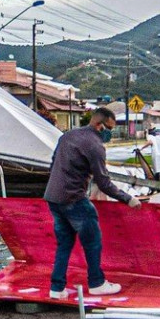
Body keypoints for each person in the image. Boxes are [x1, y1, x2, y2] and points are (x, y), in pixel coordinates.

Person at [44, 107, 141, 299]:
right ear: (99, 125)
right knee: (93, 242)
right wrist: (128, 198)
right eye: (109, 129)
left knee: (64, 244)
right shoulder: (95, 145)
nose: (110, 134)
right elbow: (103, 182)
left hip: (53, 198)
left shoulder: (68, 136)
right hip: (74, 199)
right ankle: (97, 283)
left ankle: (57, 288)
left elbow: (54, 162)